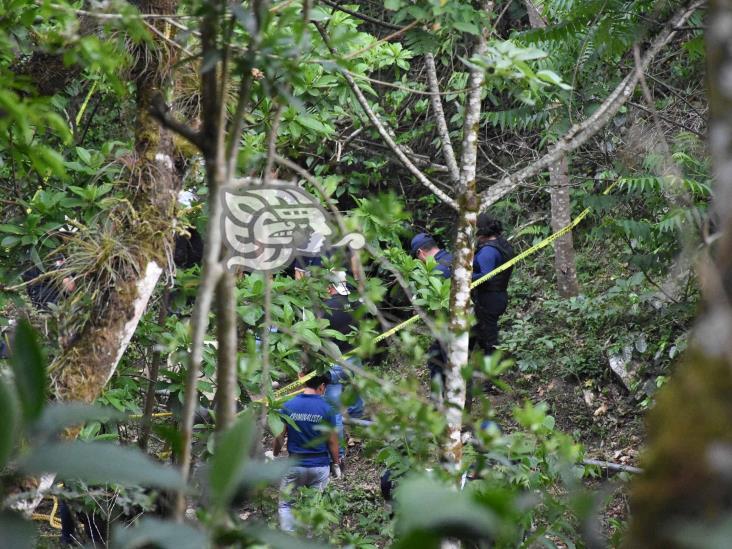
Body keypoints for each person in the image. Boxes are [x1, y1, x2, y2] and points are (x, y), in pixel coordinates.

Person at [273, 372, 341, 532]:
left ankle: (289, 539)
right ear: (322, 386)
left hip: (294, 465)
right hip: (319, 466)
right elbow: (332, 441)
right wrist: (336, 463)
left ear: (302, 381)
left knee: (285, 504)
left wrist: (275, 454)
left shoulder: (288, 406)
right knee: (314, 506)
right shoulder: (327, 409)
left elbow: (280, 436)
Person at [321, 270, 364, 459]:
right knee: (356, 399)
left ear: (330, 287)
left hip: (333, 362)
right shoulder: (355, 302)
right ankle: (357, 435)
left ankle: (338, 455)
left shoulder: (323, 309)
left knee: (334, 413)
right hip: (354, 359)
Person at [410, 233, 452, 392]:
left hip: (449, 325)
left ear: (421, 252)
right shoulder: (453, 258)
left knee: (451, 364)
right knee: (435, 358)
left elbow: (427, 303)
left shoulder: (437, 271)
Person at [471, 214, 515, 357]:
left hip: (488, 299)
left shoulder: (487, 252)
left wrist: (465, 278)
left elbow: (485, 276)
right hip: (499, 295)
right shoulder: (502, 243)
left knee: (489, 337)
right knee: (482, 331)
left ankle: (492, 369)